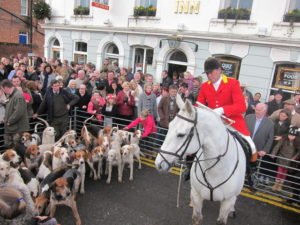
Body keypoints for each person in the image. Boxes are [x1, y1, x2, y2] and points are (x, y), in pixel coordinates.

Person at [197, 57, 257, 160]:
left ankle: (249, 172)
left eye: (211, 72)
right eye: (207, 73)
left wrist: (223, 110)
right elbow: (199, 105)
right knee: (194, 140)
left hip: (233, 122)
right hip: (213, 122)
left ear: (219, 70)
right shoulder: (204, 86)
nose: (209, 75)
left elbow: (241, 106)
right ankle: (190, 168)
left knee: (251, 147)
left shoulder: (232, 83)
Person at [245, 103, 274, 185]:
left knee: (253, 167)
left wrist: (265, 150)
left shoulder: (270, 123)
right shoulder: (248, 117)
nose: (256, 111)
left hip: (258, 149)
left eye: (259, 110)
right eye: (256, 109)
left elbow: (270, 138)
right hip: (245, 146)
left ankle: (250, 182)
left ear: (264, 111)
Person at [1, 79, 29, 148]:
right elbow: (10, 108)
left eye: (2, 89)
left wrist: (9, 121)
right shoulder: (11, 96)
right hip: (12, 129)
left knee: (18, 148)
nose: (2, 91)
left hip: (18, 129)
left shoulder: (18, 96)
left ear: (6, 88)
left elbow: (18, 112)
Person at [270, 126, 300, 192]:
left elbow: (298, 151)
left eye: (292, 136)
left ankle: (280, 185)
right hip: (281, 157)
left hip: (289, 160)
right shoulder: (283, 139)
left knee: (284, 173)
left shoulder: (297, 143)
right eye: (289, 135)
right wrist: (273, 153)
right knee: (279, 171)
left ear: (296, 136)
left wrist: (294, 157)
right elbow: (277, 146)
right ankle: (276, 184)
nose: (290, 137)